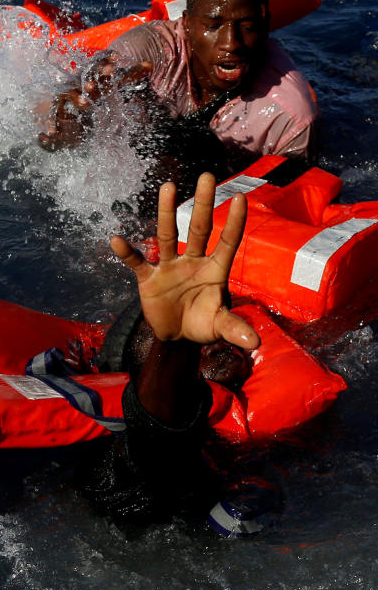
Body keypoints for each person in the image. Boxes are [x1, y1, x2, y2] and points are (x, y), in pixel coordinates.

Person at [37, 0, 319, 206]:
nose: (231, 44)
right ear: (186, 24)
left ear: (266, 25)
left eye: (248, 27)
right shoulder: (152, 51)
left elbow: (293, 203)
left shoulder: (288, 116)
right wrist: (71, 122)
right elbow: (90, 83)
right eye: (212, 26)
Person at [78, 172, 262, 522]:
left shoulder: (268, 445)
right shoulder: (118, 470)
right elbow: (154, 443)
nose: (213, 344)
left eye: (210, 335)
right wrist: (176, 343)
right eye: (199, 341)